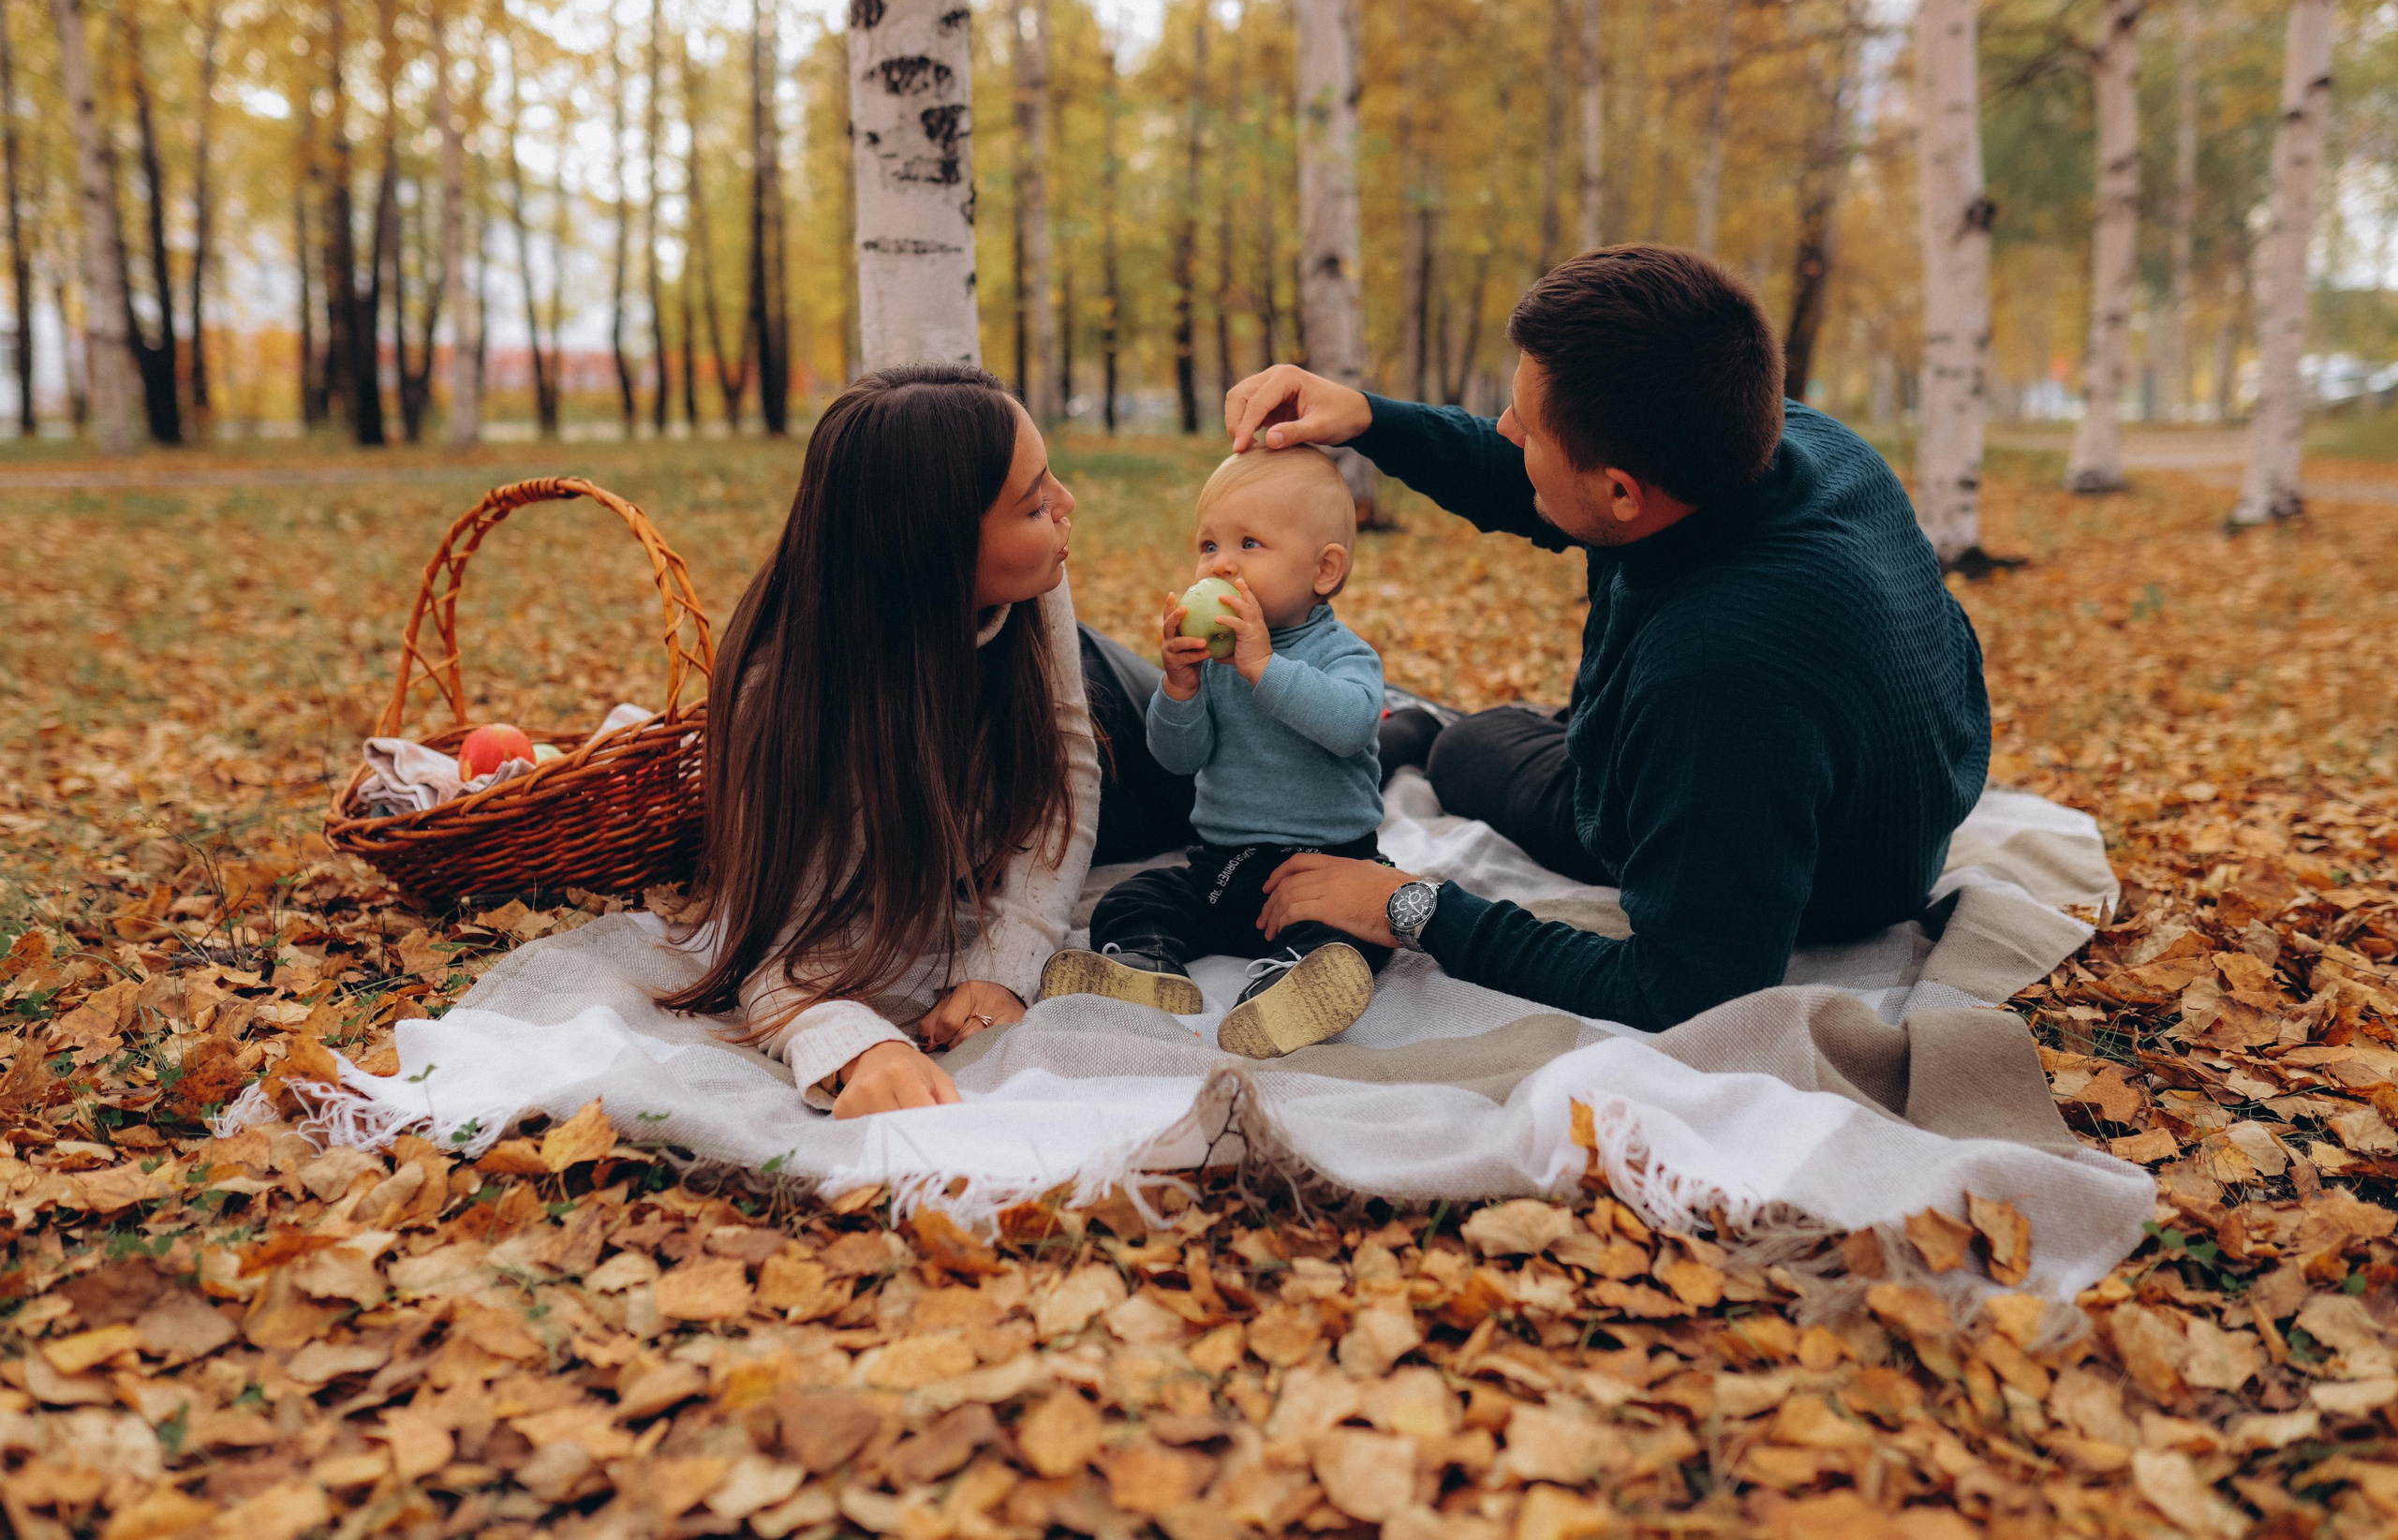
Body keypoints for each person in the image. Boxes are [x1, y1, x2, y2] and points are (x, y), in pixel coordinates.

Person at [1226, 244, 1991, 1033]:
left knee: (1468, 749)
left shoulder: (1715, 668)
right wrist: (1370, 418)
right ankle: (1434, 720)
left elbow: (1689, 988)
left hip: (1818, 881)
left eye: (1527, 427)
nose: (1505, 428)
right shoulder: (1793, 443)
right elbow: (1539, 481)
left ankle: (1420, 725)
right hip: (1867, 804)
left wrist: (1408, 904)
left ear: (1623, 492)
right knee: (1528, 725)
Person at [661, 364, 1187, 1117]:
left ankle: (1392, 723)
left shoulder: (1038, 577)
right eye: (1035, 503)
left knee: (1239, 763)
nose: (1068, 505)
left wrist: (1006, 965)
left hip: (1121, 729)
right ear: (935, 548)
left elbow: (1073, 749)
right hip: (986, 735)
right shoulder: (782, 695)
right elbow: (778, 949)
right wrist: (859, 1045)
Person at [1040, 445, 1393, 1059]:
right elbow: (1179, 758)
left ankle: (1289, 986)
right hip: (1224, 869)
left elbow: (1351, 724)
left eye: (1249, 544)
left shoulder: (1342, 654)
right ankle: (1149, 972)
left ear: (1325, 569)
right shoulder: (1215, 661)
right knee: (1132, 899)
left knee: (1364, 925)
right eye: (1209, 546)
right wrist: (1178, 690)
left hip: (1326, 870)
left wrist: (1262, 665)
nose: (1219, 567)